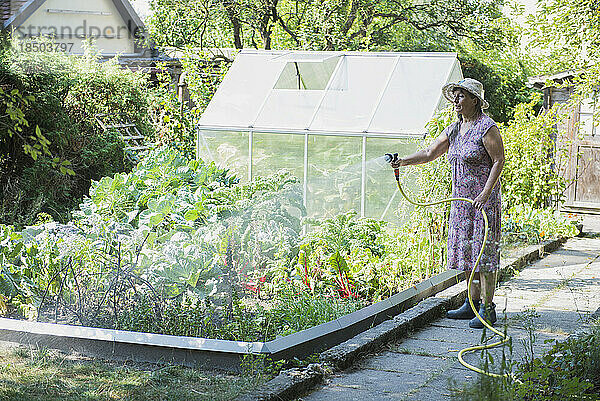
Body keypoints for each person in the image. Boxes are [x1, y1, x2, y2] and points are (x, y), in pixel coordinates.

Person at [391, 78, 505, 328]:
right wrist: (402, 162)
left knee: (484, 257)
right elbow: (430, 153)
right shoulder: (455, 129)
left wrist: (486, 193)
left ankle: (488, 309)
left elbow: (498, 160)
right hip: (462, 204)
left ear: (475, 100)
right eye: (455, 95)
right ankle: (471, 303)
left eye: (461, 95)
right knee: (467, 255)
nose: (456, 100)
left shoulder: (486, 127)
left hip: (483, 204)